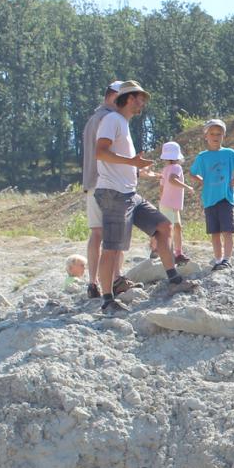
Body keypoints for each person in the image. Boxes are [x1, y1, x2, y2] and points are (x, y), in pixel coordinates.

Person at [93, 81, 197, 314]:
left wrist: (139, 170)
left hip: (129, 193)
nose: (144, 102)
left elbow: (117, 161)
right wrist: (132, 162)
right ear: (130, 98)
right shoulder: (112, 120)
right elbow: (100, 152)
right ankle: (107, 300)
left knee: (163, 226)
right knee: (111, 248)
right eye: (141, 97)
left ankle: (173, 280)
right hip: (114, 194)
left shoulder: (122, 123)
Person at [189, 118, 234, 270]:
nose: (215, 136)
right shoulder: (202, 157)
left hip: (225, 197)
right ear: (206, 136)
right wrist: (202, 181)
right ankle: (217, 260)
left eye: (219, 134)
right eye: (212, 133)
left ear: (223, 136)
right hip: (209, 199)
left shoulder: (229, 153)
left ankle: (227, 259)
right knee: (214, 232)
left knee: (227, 230)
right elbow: (192, 173)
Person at [80, 80, 121, 298]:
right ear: (114, 96)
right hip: (108, 182)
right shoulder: (110, 119)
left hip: (91, 181)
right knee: (115, 234)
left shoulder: (92, 119)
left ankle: (92, 282)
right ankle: (115, 279)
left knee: (96, 233)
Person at [154, 141, 192, 265]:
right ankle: (168, 252)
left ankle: (176, 252)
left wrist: (161, 200)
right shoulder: (177, 167)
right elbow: (172, 180)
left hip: (168, 203)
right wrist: (187, 187)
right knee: (171, 229)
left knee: (176, 227)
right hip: (170, 204)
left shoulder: (165, 169)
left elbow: (162, 187)